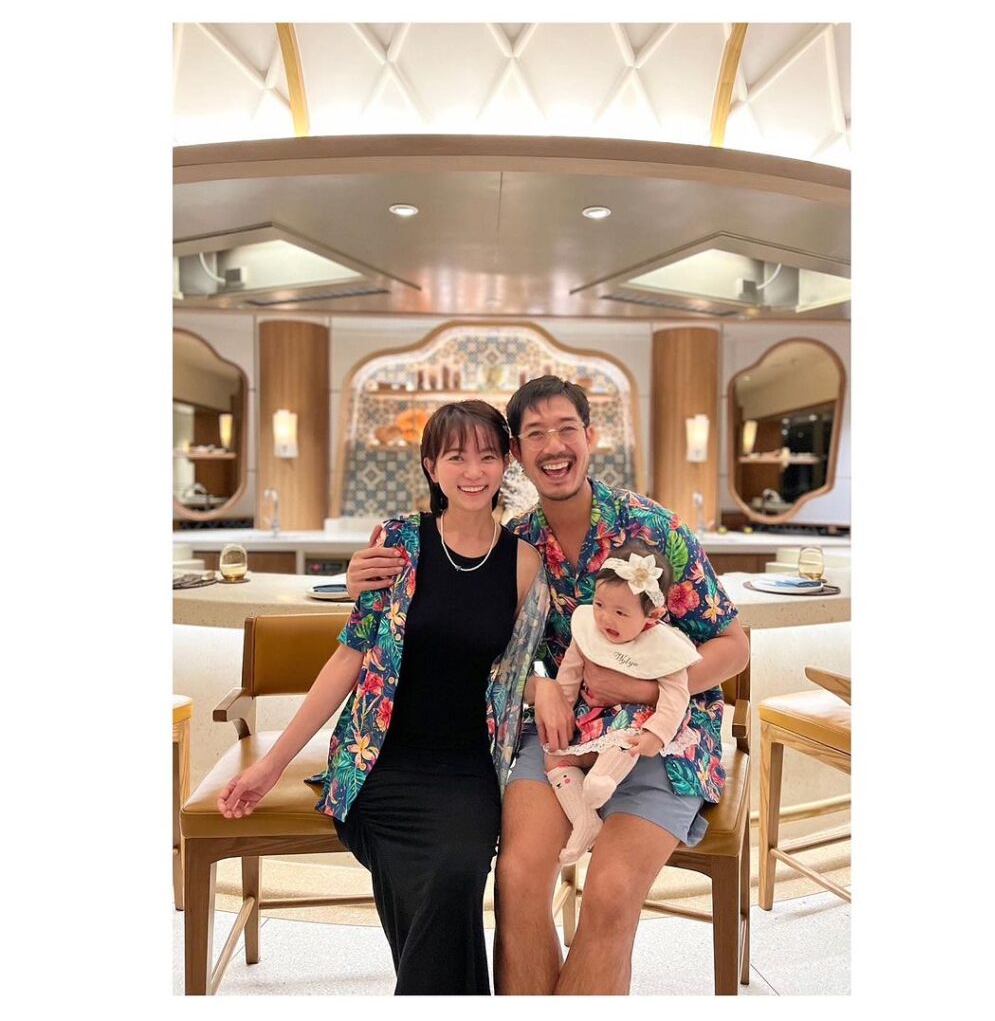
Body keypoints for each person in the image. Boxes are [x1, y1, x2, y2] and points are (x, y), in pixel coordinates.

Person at [345, 376, 750, 995]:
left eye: (566, 429)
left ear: (591, 436)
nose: (553, 445)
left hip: (664, 735)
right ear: (517, 451)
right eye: (535, 433)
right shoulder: (519, 543)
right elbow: (478, 651)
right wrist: (540, 689)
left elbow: (734, 646)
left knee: (610, 895)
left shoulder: (653, 528)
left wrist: (644, 690)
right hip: (563, 735)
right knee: (516, 881)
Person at [216, 400, 548, 996]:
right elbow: (348, 658)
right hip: (380, 761)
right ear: (431, 466)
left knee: (456, 871)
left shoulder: (524, 564)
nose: (473, 471)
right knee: (438, 894)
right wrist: (271, 766)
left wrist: (547, 686)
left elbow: (523, 667)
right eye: (456, 456)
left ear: (506, 464)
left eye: (488, 456)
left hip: (469, 766)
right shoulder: (399, 543)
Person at [542, 543, 703, 866]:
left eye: (620, 613)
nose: (605, 618)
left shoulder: (663, 646)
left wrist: (657, 734)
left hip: (633, 723)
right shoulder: (589, 630)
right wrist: (563, 710)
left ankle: (603, 778)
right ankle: (585, 819)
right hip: (591, 718)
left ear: (652, 615)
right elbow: (570, 675)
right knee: (554, 756)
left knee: (624, 736)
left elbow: (676, 695)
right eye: (599, 604)